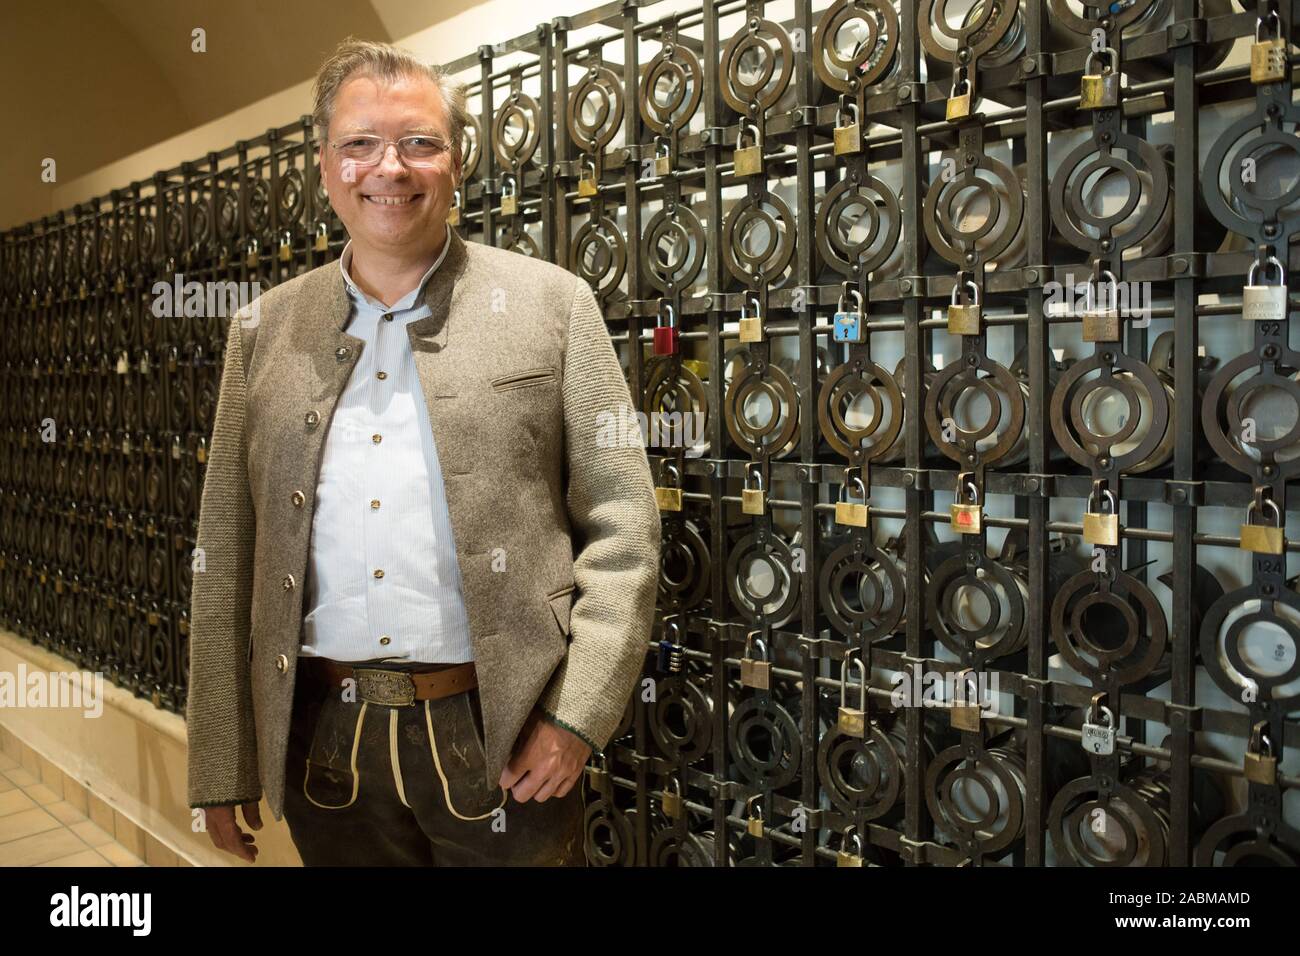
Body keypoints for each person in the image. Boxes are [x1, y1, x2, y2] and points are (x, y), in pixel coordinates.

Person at [185, 37, 660, 865]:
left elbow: (624, 527)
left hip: (503, 735)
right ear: (325, 165)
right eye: (360, 144)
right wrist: (220, 763)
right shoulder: (260, 330)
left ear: (457, 161)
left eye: (419, 143)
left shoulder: (552, 306)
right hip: (320, 740)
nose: (389, 169)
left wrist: (578, 715)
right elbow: (225, 556)